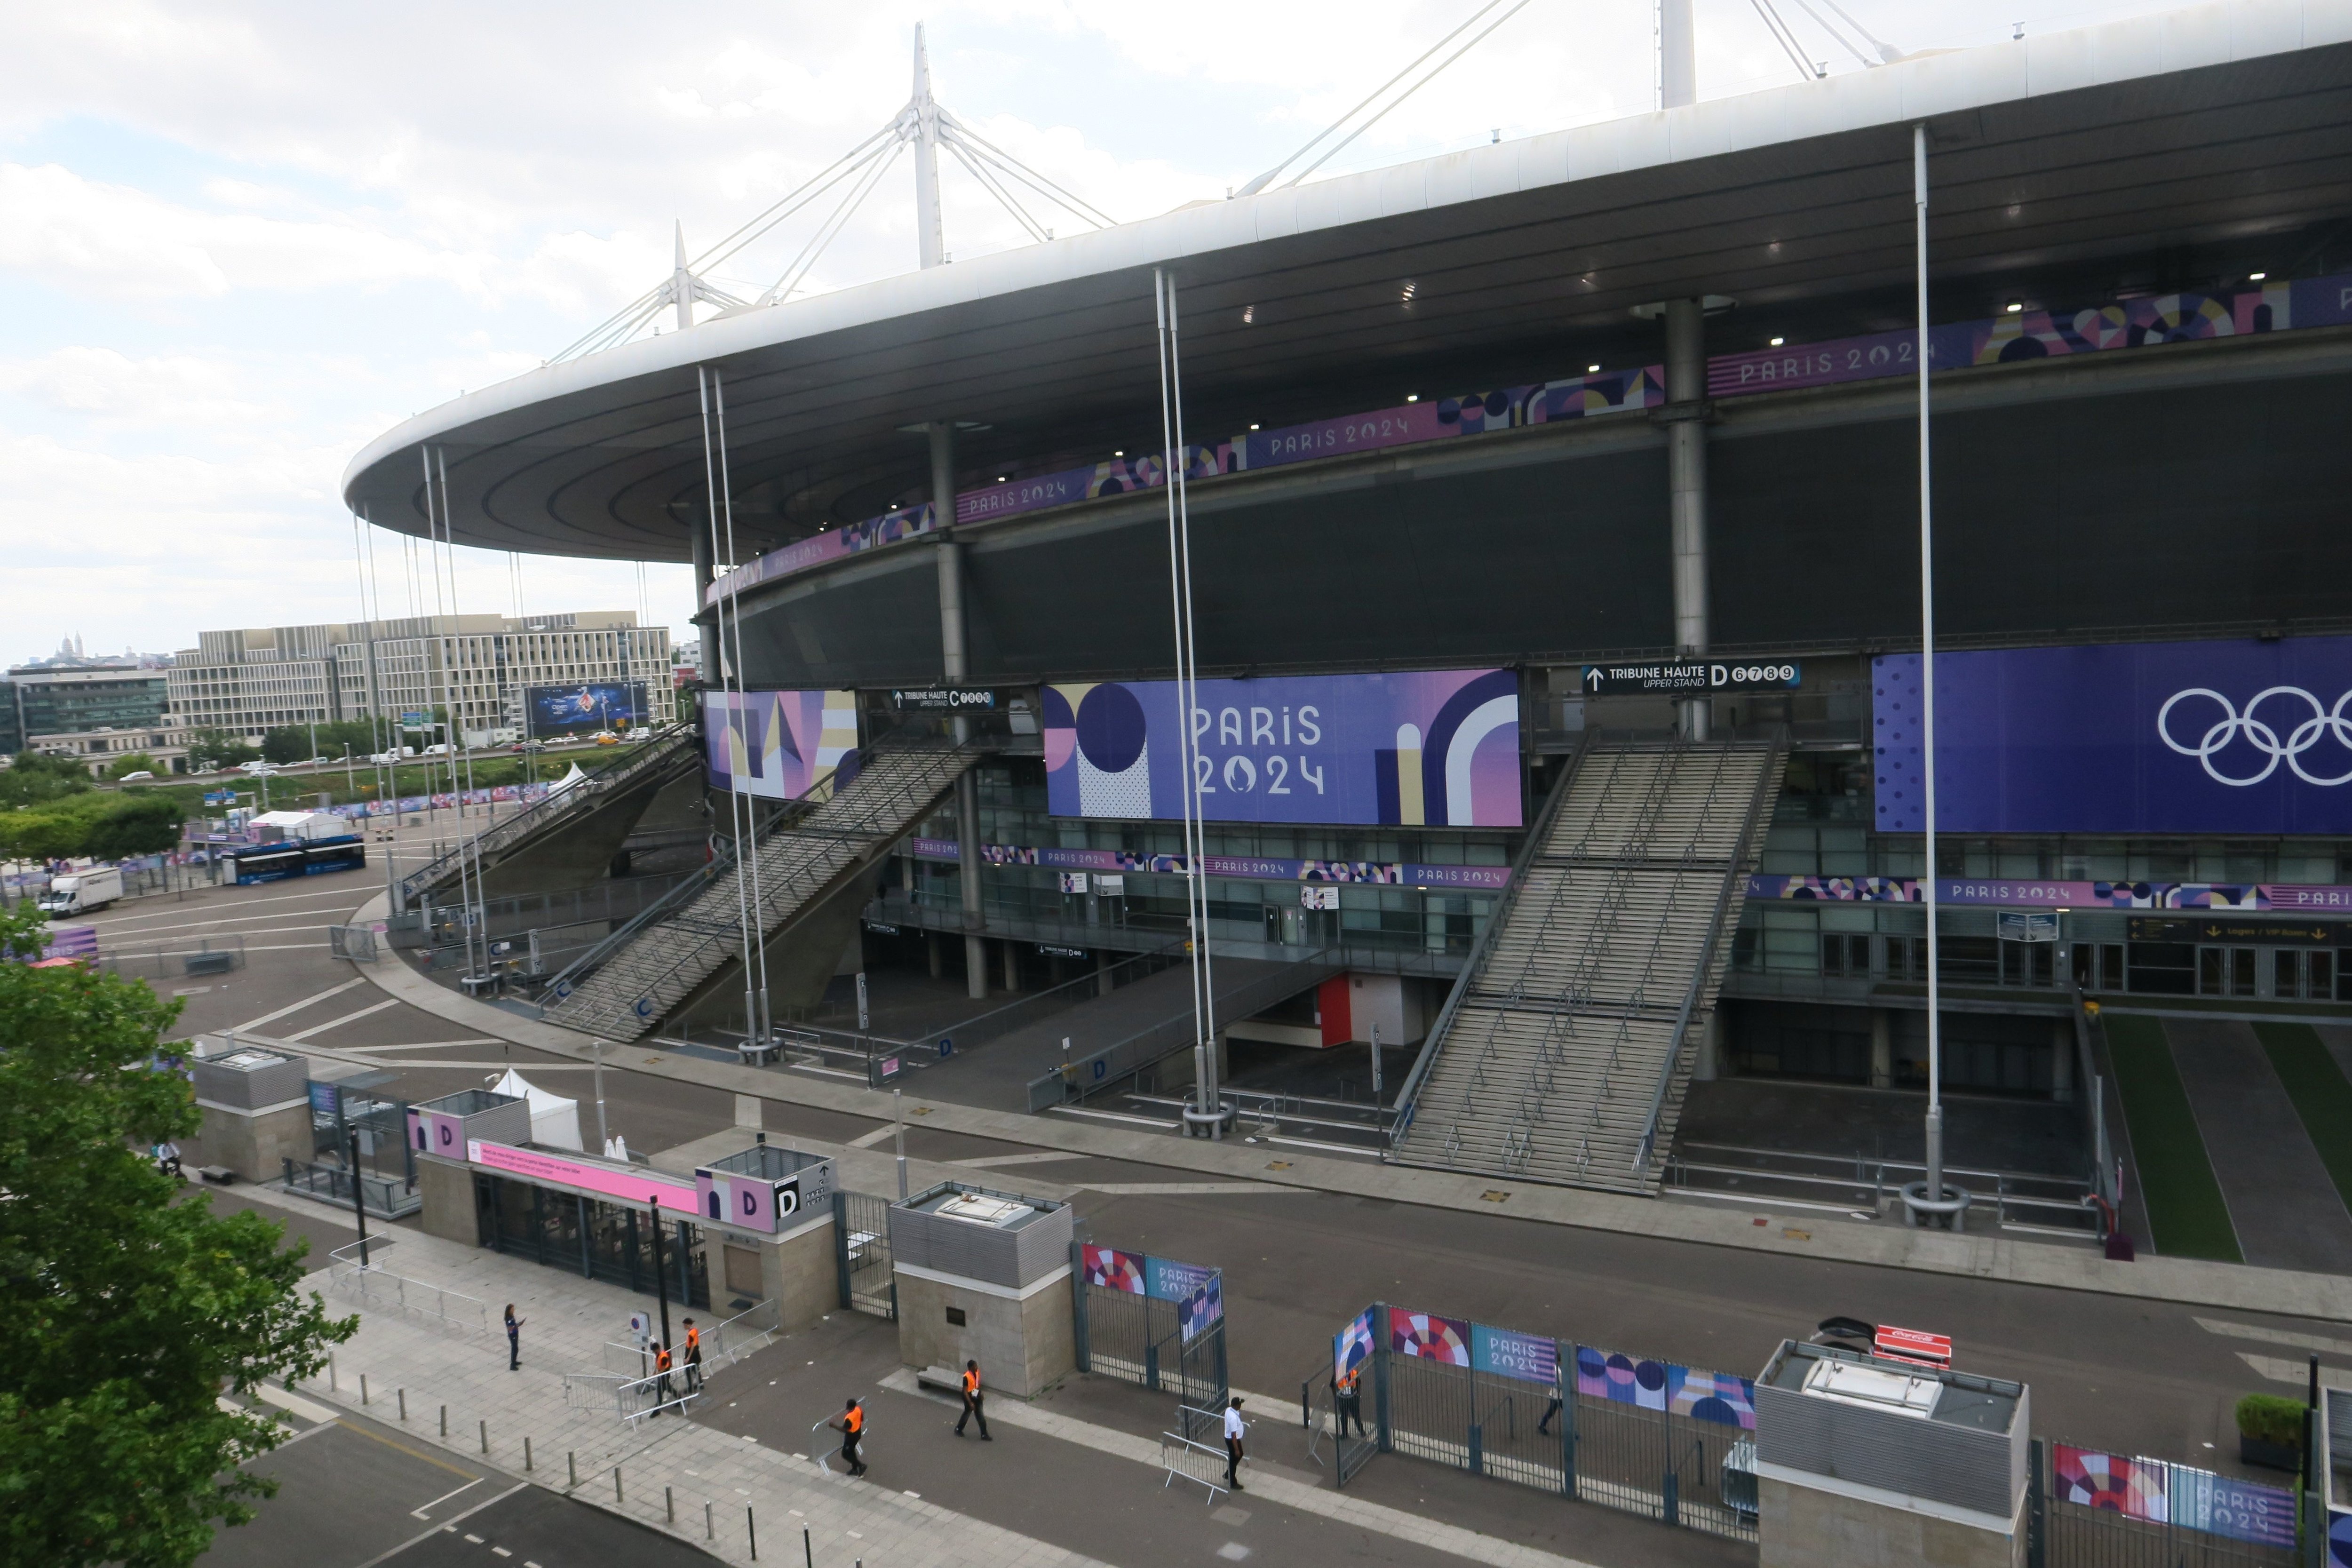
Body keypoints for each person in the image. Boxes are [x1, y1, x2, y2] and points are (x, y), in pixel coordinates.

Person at [829, 1397, 868, 1477]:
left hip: (851, 1437)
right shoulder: (858, 1409)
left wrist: (833, 1426)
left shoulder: (849, 1418)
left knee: (845, 1454)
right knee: (851, 1451)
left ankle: (861, 1466)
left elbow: (844, 1430)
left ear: (848, 1407)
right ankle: (855, 1470)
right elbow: (862, 1418)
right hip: (858, 1433)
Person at [955, 1360, 991, 1440]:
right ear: (971, 1368)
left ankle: (984, 1434)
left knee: (980, 1415)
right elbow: (965, 1391)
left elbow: (977, 1384)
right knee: (967, 1413)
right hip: (969, 1397)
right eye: (975, 1366)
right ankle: (958, 1429)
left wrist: (980, 1394)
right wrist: (970, 1403)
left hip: (976, 1395)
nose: (977, 1367)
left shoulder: (977, 1372)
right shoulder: (966, 1377)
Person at [1335, 1363, 1367, 1438]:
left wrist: (1358, 1395)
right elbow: (1334, 1385)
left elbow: (1358, 1383)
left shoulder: (1354, 1373)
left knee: (1356, 1416)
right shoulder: (1339, 1374)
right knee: (1344, 1417)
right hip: (1344, 1398)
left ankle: (1361, 1431)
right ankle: (1345, 1434)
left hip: (1352, 1398)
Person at [1222, 1396, 1247, 1491]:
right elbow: (1233, 1435)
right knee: (1235, 1457)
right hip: (1233, 1440)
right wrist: (1236, 1449)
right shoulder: (1233, 1418)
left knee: (1238, 1456)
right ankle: (1232, 1482)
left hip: (1232, 1439)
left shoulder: (1229, 1410)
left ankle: (1228, 1474)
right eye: (1240, 1404)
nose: (1241, 1406)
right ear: (1237, 1406)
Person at [651, 1341, 675, 1413]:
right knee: (668, 1388)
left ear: (658, 1349)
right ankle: (680, 1398)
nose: (654, 1353)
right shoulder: (659, 1355)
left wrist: (657, 1374)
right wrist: (655, 1371)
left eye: (654, 1351)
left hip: (665, 1374)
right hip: (662, 1375)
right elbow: (657, 1364)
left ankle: (657, 1409)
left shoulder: (664, 1356)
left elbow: (664, 1368)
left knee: (660, 1391)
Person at [682, 1318, 702, 1394]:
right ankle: (701, 1384)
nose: (684, 1326)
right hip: (696, 1352)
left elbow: (692, 1346)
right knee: (696, 1368)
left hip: (691, 1353)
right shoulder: (695, 1330)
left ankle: (690, 1388)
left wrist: (688, 1358)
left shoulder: (690, 1334)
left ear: (688, 1325)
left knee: (688, 1371)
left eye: (685, 1325)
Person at [503, 1305, 524, 1371]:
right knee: (514, 1349)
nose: (513, 1310)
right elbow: (510, 1328)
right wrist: (517, 1326)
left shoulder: (512, 1316)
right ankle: (512, 1365)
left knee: (516, 1349)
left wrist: (518, 1324)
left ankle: (515, 1362)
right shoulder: (509, 1319)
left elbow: (514, 1325)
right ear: (509, 1310)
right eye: (512, 1309)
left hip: (515, 1334)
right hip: (513, 1336)